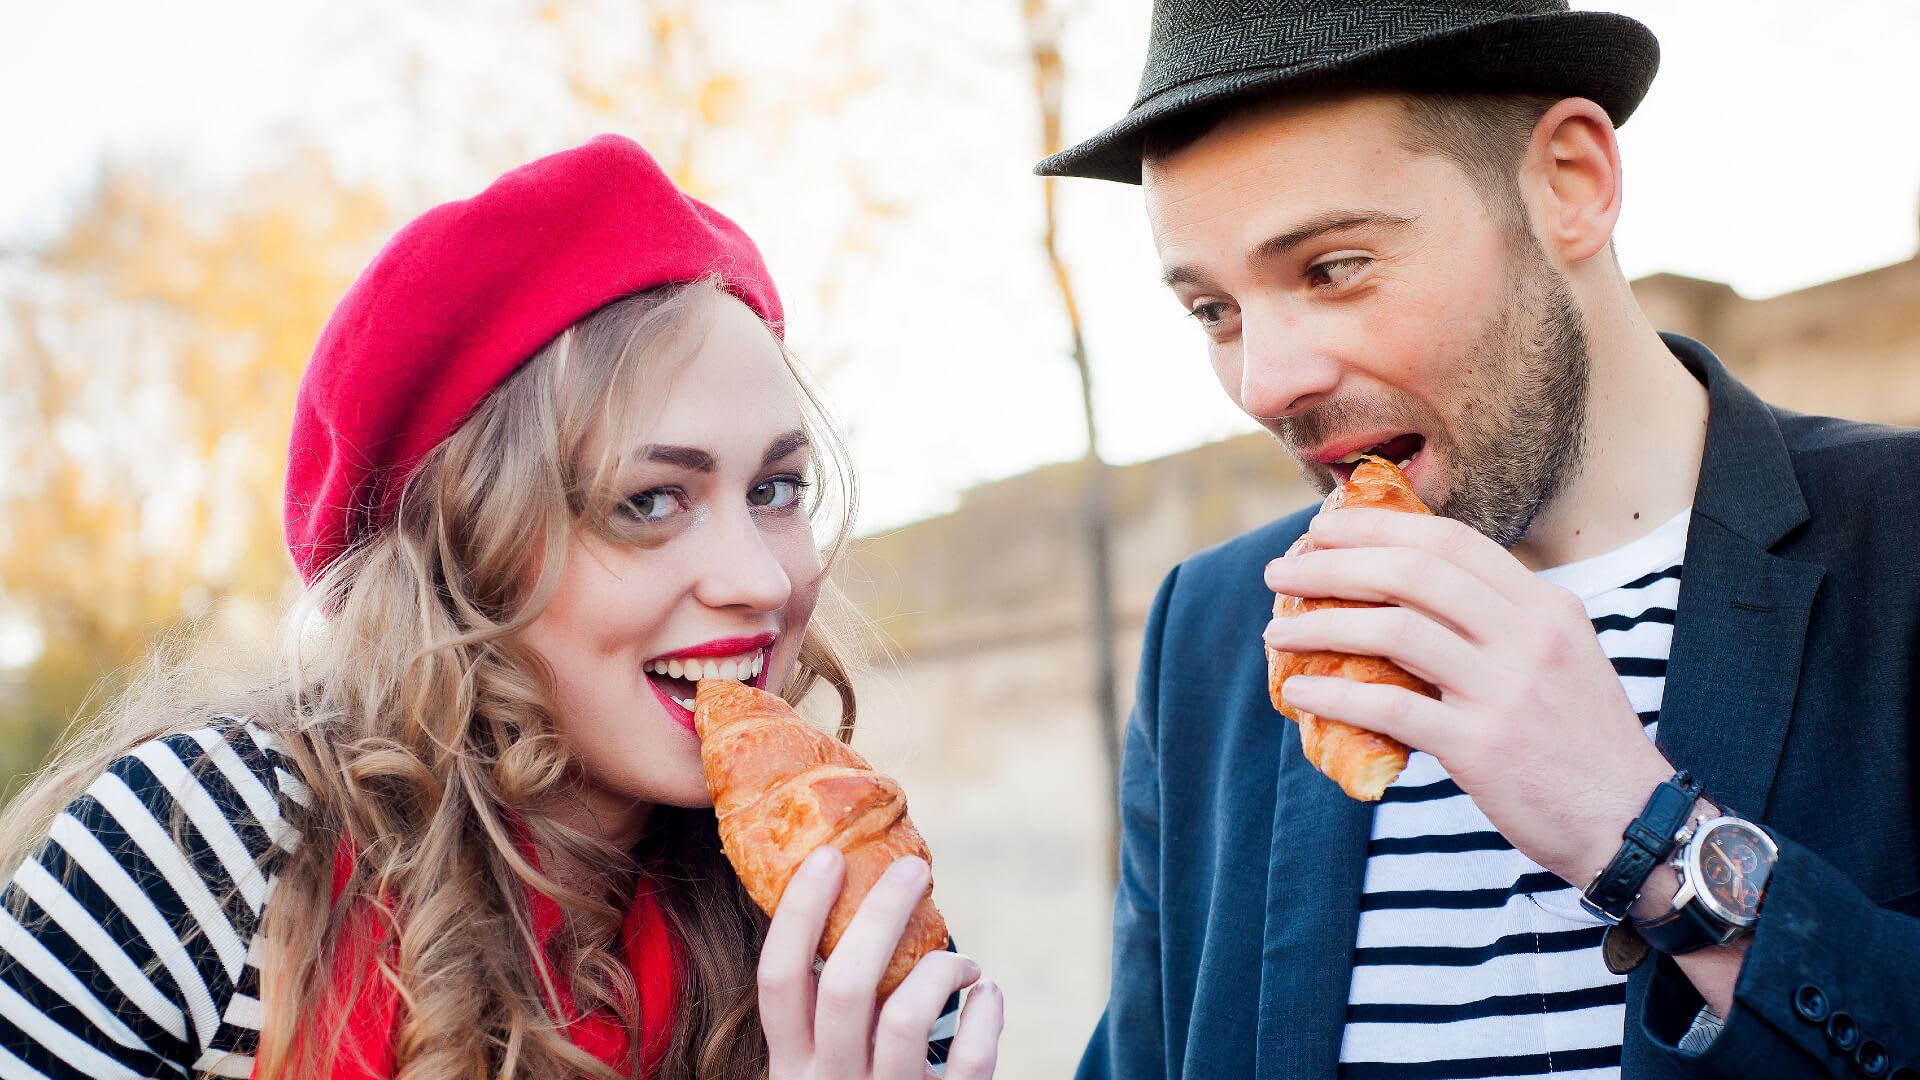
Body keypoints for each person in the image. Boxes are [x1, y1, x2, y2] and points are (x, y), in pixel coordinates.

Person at [1036, 2, 1919, 1078]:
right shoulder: (1217, 636)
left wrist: (1650, 840)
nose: (1266, 383)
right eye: (1213, 310)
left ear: (1571, 184)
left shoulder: (1903, 539)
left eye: (1331, 267)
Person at [0, 135, 1003, 1080]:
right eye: (648, 501)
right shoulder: (201, 847)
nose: (762, 580)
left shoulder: (859, 933)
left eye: (776, 490)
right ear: (463, 561)